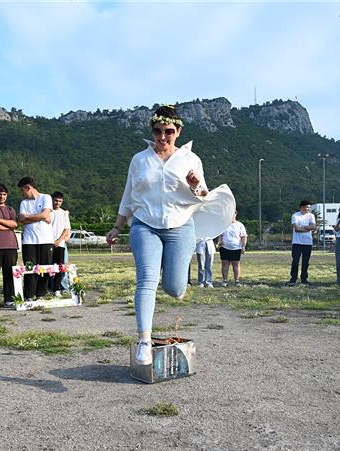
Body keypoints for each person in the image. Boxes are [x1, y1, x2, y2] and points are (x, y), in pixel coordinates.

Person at [105, 104, 234, 365]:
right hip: (145, 225)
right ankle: (144, 341)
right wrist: (117, 226)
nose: (162, 137)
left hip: (180, 225)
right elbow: (128, 196)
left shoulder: (190, 159)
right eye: (157, 131)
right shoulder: (139, 160)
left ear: (178, 131)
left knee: (175, 288)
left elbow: (203, 195)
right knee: (146, 279)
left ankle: (173, 277)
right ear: (151, 130)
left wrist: (195, 186)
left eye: (168, 132)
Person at [18, 176, 54, 301]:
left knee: (44, 268)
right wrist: (41, 217)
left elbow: (44, 214)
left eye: (22, 190)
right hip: (29, 241)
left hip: (46, 240)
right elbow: (22, 220)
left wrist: (29, 216)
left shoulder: (46, 197)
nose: (22, 193)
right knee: (29, 269)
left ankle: (41, 294)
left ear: (28, 187)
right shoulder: (24, 203)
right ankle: (29, 295)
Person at [288, 200, 316, 286]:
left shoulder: (311, 215)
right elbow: (296, 229)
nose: (308, 209)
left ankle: (304, 279)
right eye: (307, 207)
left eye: (309, 207)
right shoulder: (295, 216)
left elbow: (314, 227)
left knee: (305, 262)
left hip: (308, 242)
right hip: (297, 242)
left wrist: (303, 227)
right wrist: (308, 228)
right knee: (295, 261)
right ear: (302, 207)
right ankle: (293, 279)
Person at [50, 191, 72, 297]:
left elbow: (66, 229)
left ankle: (57, 288)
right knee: (48, 267)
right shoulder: (48, 212)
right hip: (48, 243)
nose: (57, 203)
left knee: (60, 267)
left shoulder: (64, 213)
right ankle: (49, 287)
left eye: (60, 201)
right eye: (56, 200)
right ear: (52, 200)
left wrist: (59, 240)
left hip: (60, 244)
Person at [218, 212, 247, 287]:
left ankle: (237, 281)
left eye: (233, 213)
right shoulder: (224, 224)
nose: (231, 215)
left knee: (236, 265)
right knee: (225, 264)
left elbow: (244, 236)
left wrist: (243, 246)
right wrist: (219, 243)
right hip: (224, 247)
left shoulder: (240, 225)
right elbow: (220, 235)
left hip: (236, 248)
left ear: (235, 214)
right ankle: (225, 281)